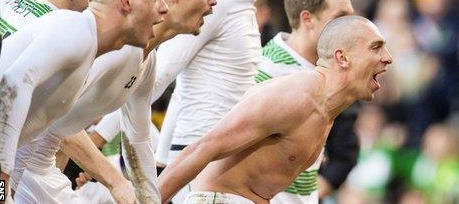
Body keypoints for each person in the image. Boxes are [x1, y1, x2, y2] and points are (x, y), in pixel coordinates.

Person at [10, 0, 216, 203]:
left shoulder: (144, 59)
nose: (214, 1)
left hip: (35, 170)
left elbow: (138, 142)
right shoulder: (101, 42)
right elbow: (27, 102)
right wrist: (114, 180)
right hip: (20, 167)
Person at [158, 15, 393, 203]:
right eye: (376, 47)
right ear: (342, 58)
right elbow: (204, 147)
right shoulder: (297, 96)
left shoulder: (325, 110)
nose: (388, 57)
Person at [0, 0, 166, 202]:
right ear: (126, 1)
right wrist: (2, 176)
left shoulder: (88, 46)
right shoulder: (77, 30)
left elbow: (27, 138)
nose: (163, 8)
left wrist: (5, 191)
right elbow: (13, 84)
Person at [152, 0, 298, 201]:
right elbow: (160, 74)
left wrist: (162, 162)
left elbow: (181, 88)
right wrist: (101, 136)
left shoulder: (240, 2)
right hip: (200, 167)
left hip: (210, 167)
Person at [254, 0, 359, 203]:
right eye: (340, 18)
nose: (351, 28)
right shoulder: (266, 72)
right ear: (307, 19)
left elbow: (345, 151)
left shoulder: (332, 74)